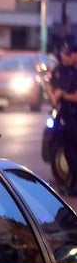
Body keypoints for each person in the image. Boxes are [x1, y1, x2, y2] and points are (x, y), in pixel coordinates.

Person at [50, 36, 77, 195]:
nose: (67, 56)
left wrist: (63, 95)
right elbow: (53, 90)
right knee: (68, 151)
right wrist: (55, 95)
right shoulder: (61, 70)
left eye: (69, 53)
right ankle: (71, 183)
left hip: (74, 116)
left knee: (73, 152)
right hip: (65, 116)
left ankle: (73, 186)